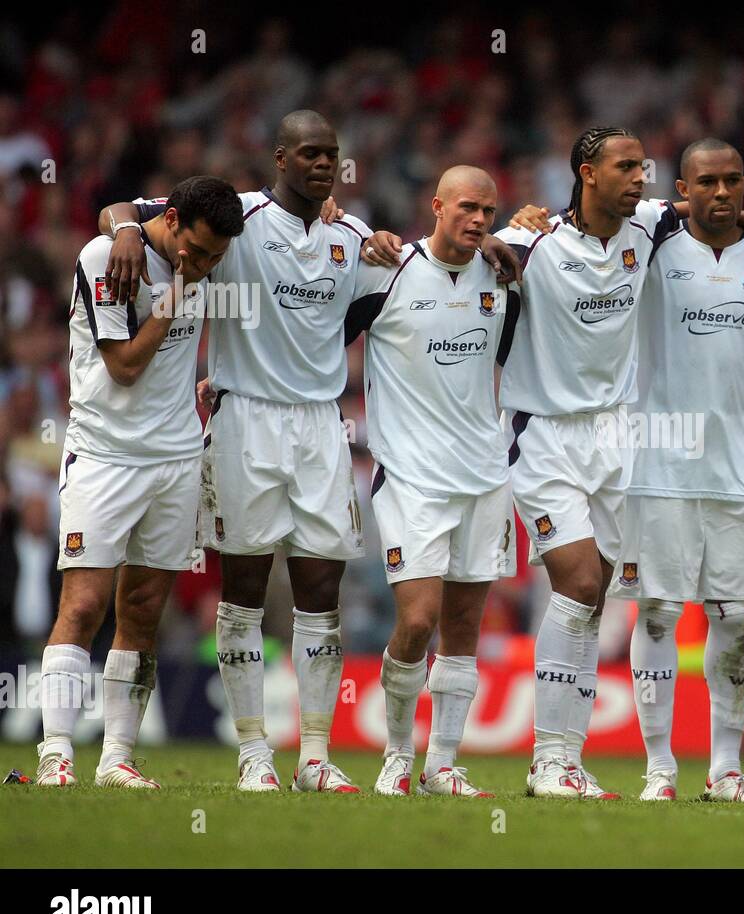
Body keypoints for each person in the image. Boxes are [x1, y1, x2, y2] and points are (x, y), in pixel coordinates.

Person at [98, 110, 406, 792]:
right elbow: (133, 212)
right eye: (309, 152)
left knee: (320, 590)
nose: (322, 163)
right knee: (244, 588)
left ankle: (315, 756)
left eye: (331, 153)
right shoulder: (237, 218)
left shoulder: (352, 237)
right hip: (245, 418)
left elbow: (378, 301)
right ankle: (253, 753)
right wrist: (122, 231)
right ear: (280, 157)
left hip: (321, 425)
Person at [492, 125, 744, 799]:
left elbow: (708, 205)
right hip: (544, 433)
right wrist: (467, 235)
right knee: (579, 587)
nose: (639, 178)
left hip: (615, 439)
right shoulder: (532, 241)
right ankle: (549, 757)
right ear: (586, 173)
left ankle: (568, 760)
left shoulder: (648, 226)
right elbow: (473, 252)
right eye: (626, 167)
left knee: (594, 597)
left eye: (643, 168)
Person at [601, 138, 744, 802]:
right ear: (682, 189)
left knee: (734, 616)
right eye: (706, 182)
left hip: (739, 465)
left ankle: (727, 768)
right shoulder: (650, 244)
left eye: (733, 181)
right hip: (658, 459)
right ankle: (659, 767)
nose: (721, 192)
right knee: (657, 612)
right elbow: (615, 206)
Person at [38, 175, 244, 788]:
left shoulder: (168, 233)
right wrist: (175, 291)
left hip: (176, 458)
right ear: (173, 221)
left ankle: (117, 759)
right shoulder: (106, 257)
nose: (204, 265)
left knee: (143, 610)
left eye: (215, 258)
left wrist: (328, 204)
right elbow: (125, 367)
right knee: (83, 605)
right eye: (197, 252)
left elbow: (127, 208)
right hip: (104, 454)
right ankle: (55, 755)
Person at [343, 166, 518, 798]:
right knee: (417, 622)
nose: (479, 220)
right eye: (467, 207)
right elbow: (318, 339)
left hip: (484, 476)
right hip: (412, 477)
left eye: (489, 212)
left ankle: (442, 764)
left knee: (464, 630)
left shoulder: (502, 277)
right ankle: (396, 756)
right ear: (437, 205)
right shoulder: (386, 271)